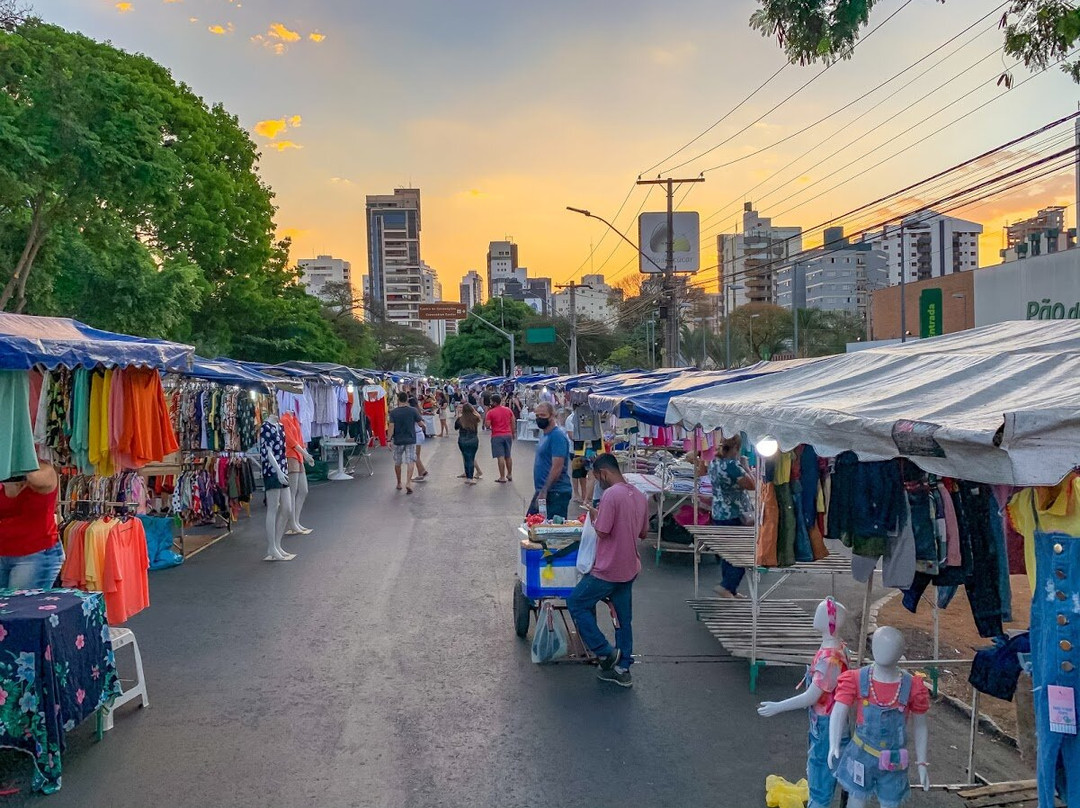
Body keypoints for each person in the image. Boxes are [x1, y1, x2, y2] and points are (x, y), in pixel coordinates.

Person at [567, 453, 648, 688]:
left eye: (597, 477)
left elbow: (602, 532)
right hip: (629, 567)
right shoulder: (640, 496)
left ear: (603, 473)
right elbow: (642, 533)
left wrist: (595, 514)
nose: (598, 482)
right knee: (624, 620)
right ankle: (623, 670)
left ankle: (604, 650)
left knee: (577, 602)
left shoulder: (611, 495)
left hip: (608, 569)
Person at [0, 460, 64, 589]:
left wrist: (18, 467)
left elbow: (43, 480)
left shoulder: (43, 471)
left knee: (21, 606)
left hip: (35, 554)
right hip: (5, 552)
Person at [707, 434, 756, 598]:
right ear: (735, 448)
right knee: (740, 553)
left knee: (727, 552)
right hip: (735, 514)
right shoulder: (732, 466)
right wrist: (746, 467)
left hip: (719, 512)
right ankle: (727, 586)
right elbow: (751, 485)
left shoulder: (714, 463)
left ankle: (730, 588)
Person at [527, 401, 573, 519]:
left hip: (555, 492)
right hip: (544, 491)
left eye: (543, 415)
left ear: (552, 416)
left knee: (552, 531)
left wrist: (544, 491)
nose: (539, 418)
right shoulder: (544, 435)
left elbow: (557, 467)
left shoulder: (557, 436)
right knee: (533, 525)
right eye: (537, 416)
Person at [389, 392, 423, 494]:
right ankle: (408, 482)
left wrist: (388, 440)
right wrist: (424, 425)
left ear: (398, 399)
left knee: (397, 462)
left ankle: (399, 482)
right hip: (410, 439)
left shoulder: (394, 412)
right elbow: (420, 423)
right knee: (410, 461)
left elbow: (391, 427)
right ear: (407, 399)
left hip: (398, 440)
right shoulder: (413, 411)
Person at [485, 394, 516, 483]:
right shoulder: (508, 410)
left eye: (491, 401)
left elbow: (487, 425)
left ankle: (502, 477)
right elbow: (513, 422)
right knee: (508, 456)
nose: (490, 403)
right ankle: (509, 474)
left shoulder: (491, 412)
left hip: (497, 435)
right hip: (508, 434)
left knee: (500, 457)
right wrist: (513, 433)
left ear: (494, 402)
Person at [454, 403, 481, 484]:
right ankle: (470, 477)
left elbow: (456, 428)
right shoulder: (475, 418)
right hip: (473, 440)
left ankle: (468, 477)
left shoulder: (460, 419)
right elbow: (478, 417)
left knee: (466, 458)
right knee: (471, 458)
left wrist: (458, 415)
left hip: (463, 440)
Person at [408, 395, 429, 480]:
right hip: (419, 434)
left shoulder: (412, 412)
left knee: (415, 456)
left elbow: (421, 423)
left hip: (416, 435)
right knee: (417, 455)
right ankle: (421, 472)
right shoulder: (417, 410)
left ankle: (423, 471)